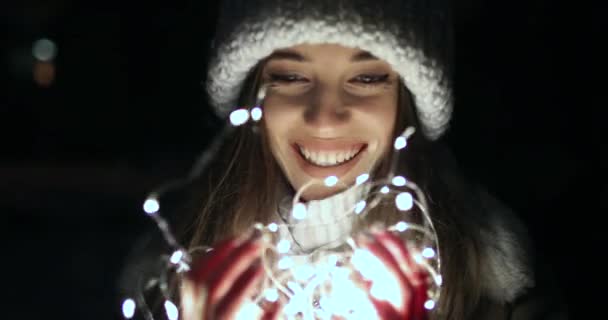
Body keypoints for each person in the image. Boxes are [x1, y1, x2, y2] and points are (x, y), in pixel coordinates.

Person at [118, 0, 568, 319]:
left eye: (367, 77)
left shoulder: (498, 291)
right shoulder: (170, 284)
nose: (325, 118)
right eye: (291, 76)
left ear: (408, 102)